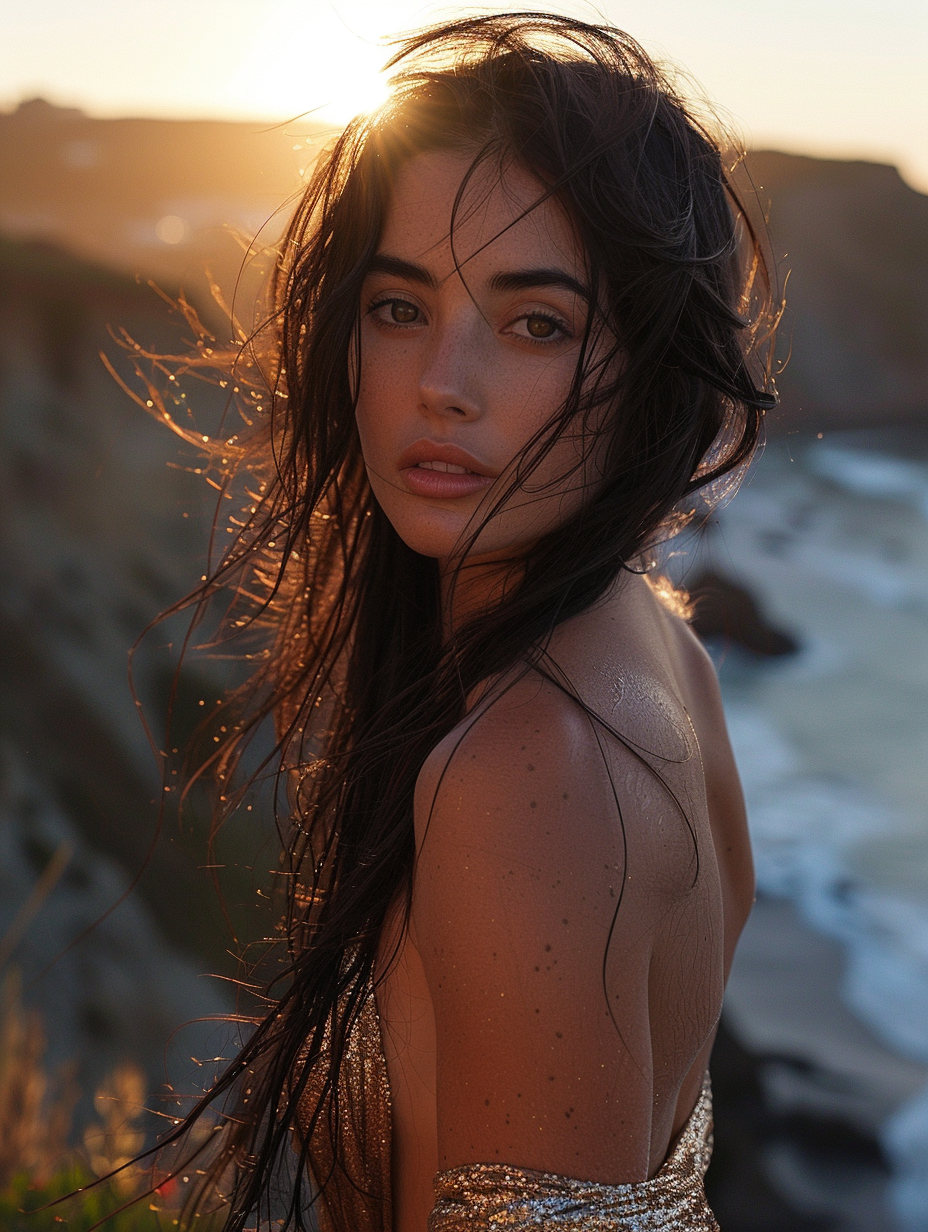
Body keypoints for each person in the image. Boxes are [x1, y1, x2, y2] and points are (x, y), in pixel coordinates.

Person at [153, 12, 776, 1231]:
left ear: (648, 366)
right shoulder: (661, 646)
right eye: (398, 306)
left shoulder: (522, 768)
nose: (442, 379)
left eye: (535, 320)